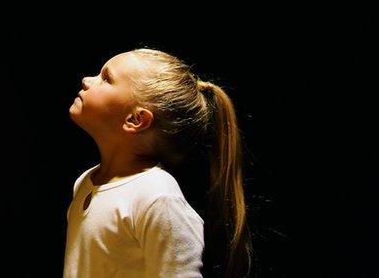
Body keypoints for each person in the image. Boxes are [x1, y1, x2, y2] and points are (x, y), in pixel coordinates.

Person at [63, 48, 251, 277]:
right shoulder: (85, 182)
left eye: (106, 78)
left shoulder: (156, 195)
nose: (86, 80)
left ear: (135, 119)